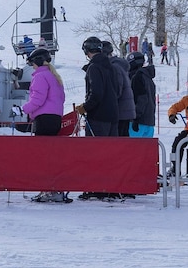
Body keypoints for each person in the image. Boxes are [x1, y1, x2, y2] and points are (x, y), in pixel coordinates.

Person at [23, 48, 69, 203]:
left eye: (32, 64)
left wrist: (23, 109)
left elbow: (38, 99)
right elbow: (61, 98)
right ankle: (54, 188)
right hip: (54, 119)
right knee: (51, 155)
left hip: (44, 119)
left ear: (37, 61)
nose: (32, 67)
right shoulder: (54, 76)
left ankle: (48, 189)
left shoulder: (40, 76)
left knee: (43, 156)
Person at [79, 37, 122, 138]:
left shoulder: (94, 67)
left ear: (86, 51)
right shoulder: (112, 67)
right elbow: (118, 90)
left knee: (95, 147)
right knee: (111, 148)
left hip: (98, 117)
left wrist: (85, 107)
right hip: (113, 115)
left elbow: (96, 93)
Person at [104, 41, 135, 137]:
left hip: (120, 112)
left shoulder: (114, 67)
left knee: (119, 142)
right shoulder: (118, 65)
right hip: (124, 111)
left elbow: (117, 90)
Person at [129, 52, 157, 138]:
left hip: (139, 122)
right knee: (146, 146)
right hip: (149, 121)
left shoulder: (137, 77)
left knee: (133, 146)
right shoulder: (148, 77)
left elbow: (141, 99)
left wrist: (136, 118)